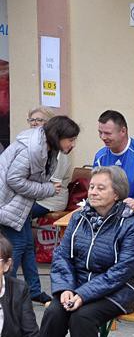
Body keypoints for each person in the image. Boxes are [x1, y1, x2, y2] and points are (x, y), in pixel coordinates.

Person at [38, 166, 134, 337]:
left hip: (119, 290)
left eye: (100, 188)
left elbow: (122, 272)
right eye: (92, 187)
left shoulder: (130, 225)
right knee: (55, 311)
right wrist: (65, 288)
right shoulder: (78, 217)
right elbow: (62, 256)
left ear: (116, 193)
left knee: (82, 317)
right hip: (77, 287)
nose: (93, 192)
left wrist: (82, 295)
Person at [0, 115, 79, 304]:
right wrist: (48, 189)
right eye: (71, 139)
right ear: (58, 136)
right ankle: (5, 295)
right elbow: (14, 180)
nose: (73, 144)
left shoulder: (46, 148)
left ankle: (34, 291)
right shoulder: (32, 149)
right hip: (7, 205)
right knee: (17, 247)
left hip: (19, 205)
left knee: (28, 245)